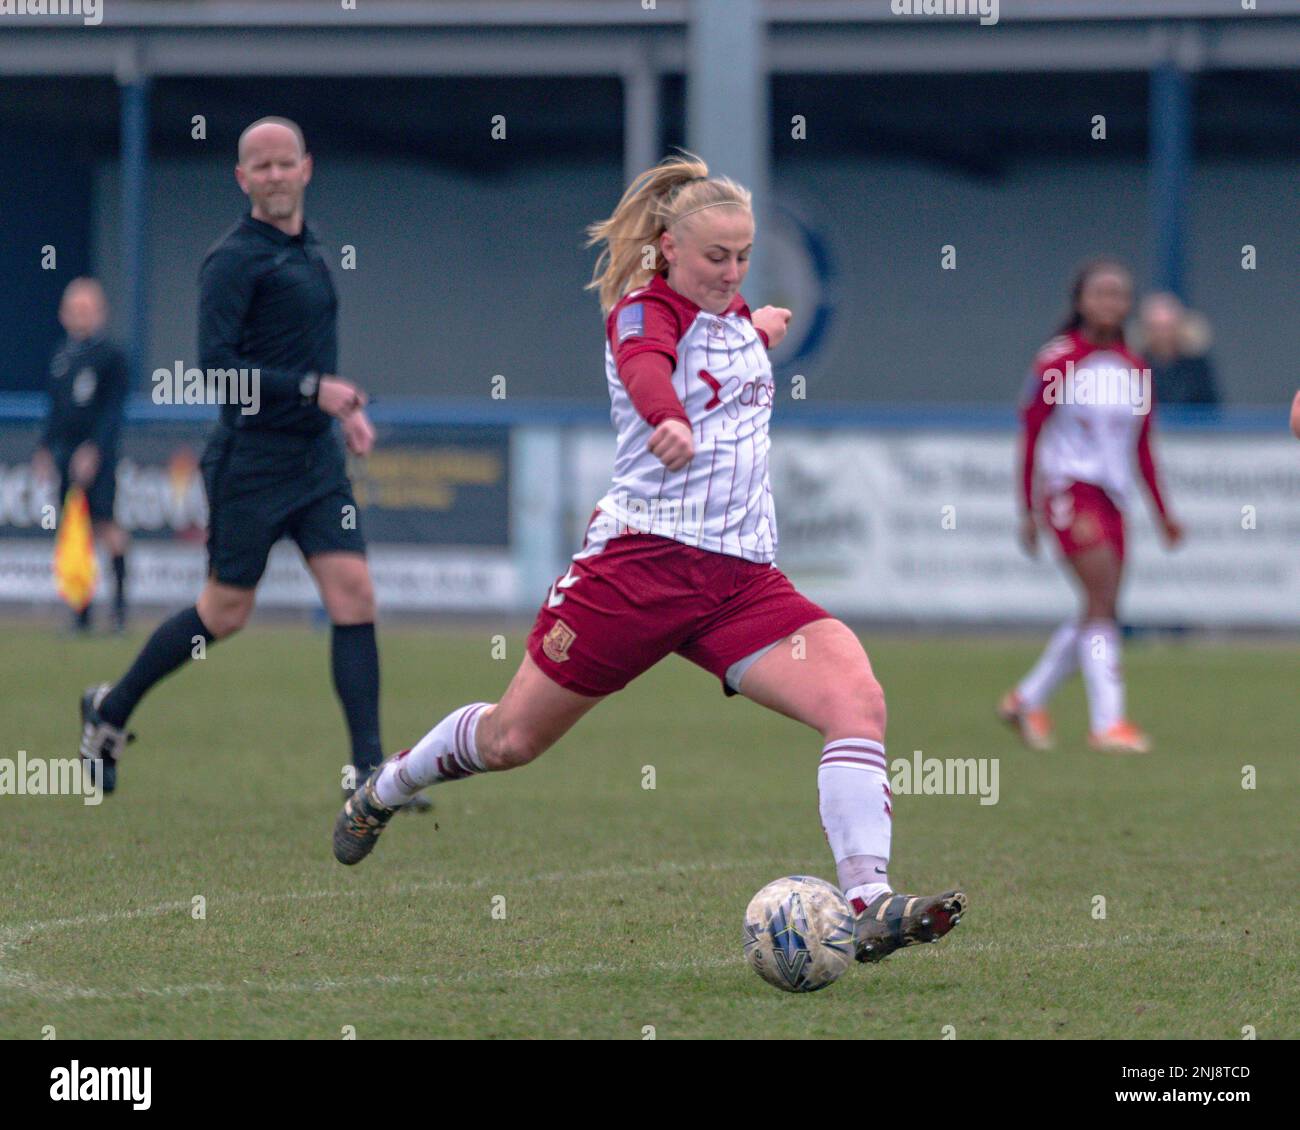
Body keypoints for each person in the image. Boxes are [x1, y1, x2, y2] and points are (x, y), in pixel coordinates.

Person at [331, 152, 967, 966]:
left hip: (743, 583)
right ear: (668, 246)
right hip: (636, 572)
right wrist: (665, 418)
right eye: (715, 257)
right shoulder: (642, 310)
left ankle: (871, 902)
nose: (730, 271)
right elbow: (647, 366)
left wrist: (761, 326)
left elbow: (730, 342)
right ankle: (386, 788)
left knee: (856, 700)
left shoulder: (735, 315)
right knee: (511, 741)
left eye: (743, 257)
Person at [78, 116, 429, 811]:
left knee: (354, 595)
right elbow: (216, 369)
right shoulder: (233, 259)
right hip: (251, 460)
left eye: (284, 162)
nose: (274, 175)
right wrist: (310, 390)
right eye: (259, 166)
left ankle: (369, 776)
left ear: (307, 168)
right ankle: (110, 709)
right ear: (243, 179)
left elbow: (311, 360)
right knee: (226, 612)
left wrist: (344, 410)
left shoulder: (315, 253)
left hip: (316, 458)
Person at [1000, 257, 1184, 754]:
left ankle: (1026, 699)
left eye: (1119, 293)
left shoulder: (1134, 368)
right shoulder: (1058, 361)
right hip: (1069, 491)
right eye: (1100, 292)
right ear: (1080, 300)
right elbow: (1032, 433)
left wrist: (1162, 513)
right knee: (1102, 602)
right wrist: (1028, 508)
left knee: (1099, 607)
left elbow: (1143, 446)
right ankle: (1108, 722)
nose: (1110, 302)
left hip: (1113, 496)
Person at [32, 278, 131, 633]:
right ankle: (81, 612)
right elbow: (55, 409)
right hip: (65, 454)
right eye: (74, 310)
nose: (80, 317)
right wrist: (45, 448)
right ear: (63, 314)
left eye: (86, 310)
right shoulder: (61, 356)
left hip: (99, 456)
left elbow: (113, 412)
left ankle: (119, 612)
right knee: (76, 529)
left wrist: (94, 451)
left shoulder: (113, 357)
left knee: (106, 525)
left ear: (101, 313)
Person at [1139, 292, 1220, 407]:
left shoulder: (1197, 366)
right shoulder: (1136, 365)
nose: (1163, 335)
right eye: (1156, 328)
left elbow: (1211, 408)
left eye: (1167, 328)